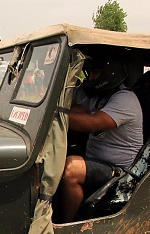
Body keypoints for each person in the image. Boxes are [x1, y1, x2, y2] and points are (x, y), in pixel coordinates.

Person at [57, 58, 143, 223]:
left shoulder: (125, 99)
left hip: (122, 171)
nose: (90, 78)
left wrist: (56, 115)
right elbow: (80, 111)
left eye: (95, 73)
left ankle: (67, 224)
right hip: (99, 162)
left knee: (72, 168)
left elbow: (92, 123)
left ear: (110, 73)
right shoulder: (101, 97)